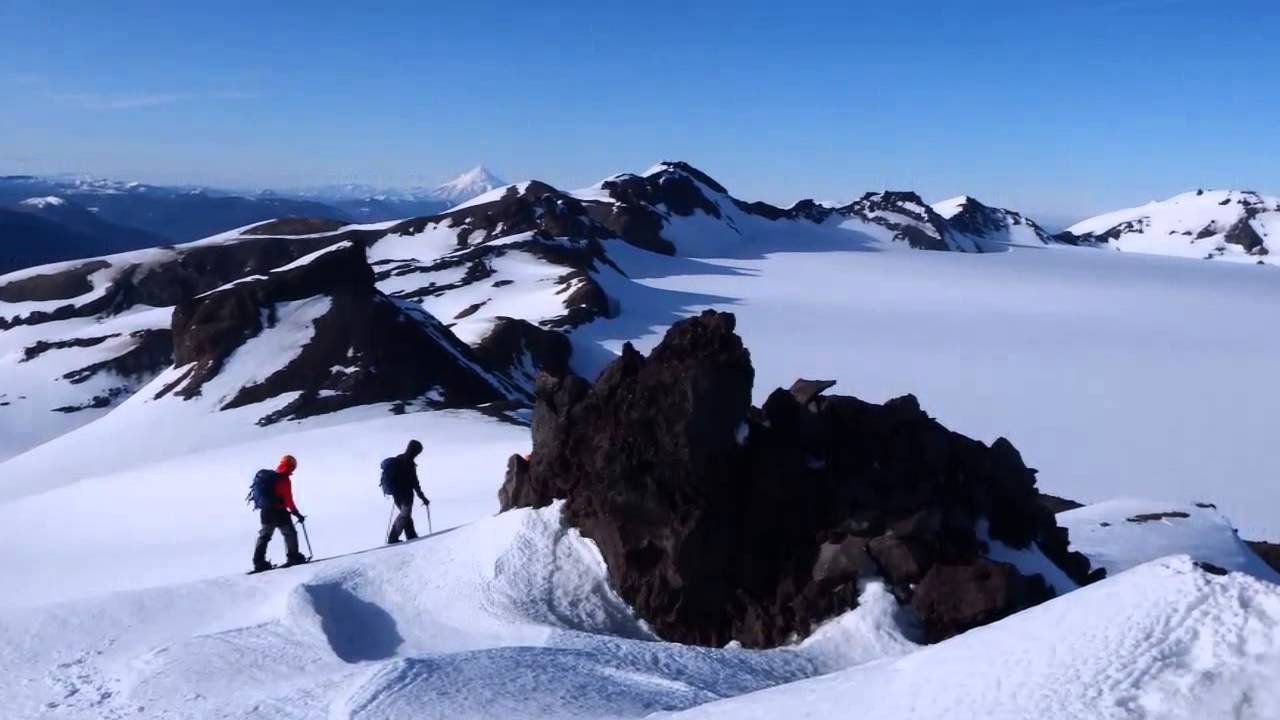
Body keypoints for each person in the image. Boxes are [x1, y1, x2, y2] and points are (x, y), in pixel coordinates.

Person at [252, 454, 308, 571]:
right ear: (291, 466)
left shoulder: (271, 477)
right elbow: (288, 500)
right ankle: (294, 557)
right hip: (279, 511)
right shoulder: (284, 479)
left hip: (265, 512)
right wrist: (296, 513)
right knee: (290, 533)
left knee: (265, 536)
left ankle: (259, 562)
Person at [384, 440, 429, 544]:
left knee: (406, 515)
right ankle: (393, 538)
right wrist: (422, 497)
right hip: (406, 494)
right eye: (418, 452)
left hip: (396, 494)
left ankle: (411, 536)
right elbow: (415, 483)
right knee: (404, 515)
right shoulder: (409, 463)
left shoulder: (399, 458)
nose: (418, 454)